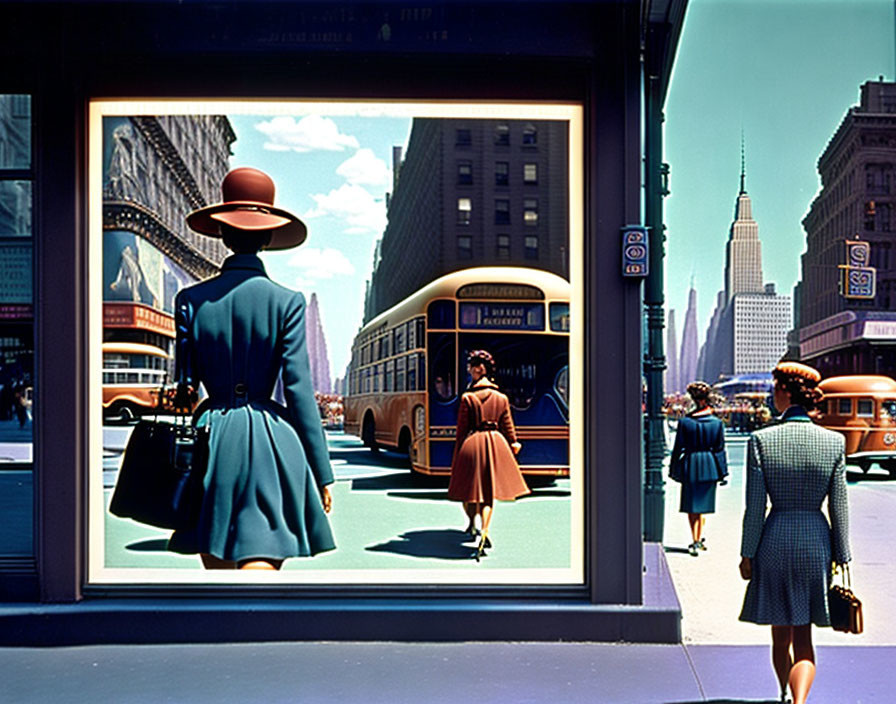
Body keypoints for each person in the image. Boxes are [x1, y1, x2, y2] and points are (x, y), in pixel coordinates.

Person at [167, 167, 335, 570]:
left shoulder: (190, 300)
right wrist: (321, 471)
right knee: (263, 560)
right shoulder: (288, 302)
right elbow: (297, 391)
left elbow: (185, 384)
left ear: (222, 233)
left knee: (216, 559)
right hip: (271, 443)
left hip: (212, 440)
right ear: (267, 237)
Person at [738, 361, 851, 704]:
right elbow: (839, 507)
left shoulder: (761, 440)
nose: (772, 396)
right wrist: (841, 555)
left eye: (775, 389)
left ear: (786, 392)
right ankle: (800, 701)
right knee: (805, 638)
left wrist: (747, 553)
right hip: (815, 542)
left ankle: (784, 693)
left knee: (779, 635)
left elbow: (755, 507)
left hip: (774, 541)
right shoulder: (834, 442)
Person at [447, 350, 529, 560]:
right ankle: (485, 530)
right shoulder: (501, 397)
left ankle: (472, 524)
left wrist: (458, 453)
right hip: (495, 442)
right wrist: (513, 443)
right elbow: (508, 425)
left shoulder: (467, 397)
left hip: (472, 443)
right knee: (488, 493)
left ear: (475, 370)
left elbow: (462, 429)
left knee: (468, 490)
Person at [668, 380, 728, 556]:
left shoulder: (685, 423)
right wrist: (723, 472)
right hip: (709, 464)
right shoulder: (717, 423)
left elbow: (678, 448)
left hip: (691, 463)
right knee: (702, 505)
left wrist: (673, 469)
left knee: (692, 506)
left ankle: (695, 539)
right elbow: (719, 449)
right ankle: (698, 539)